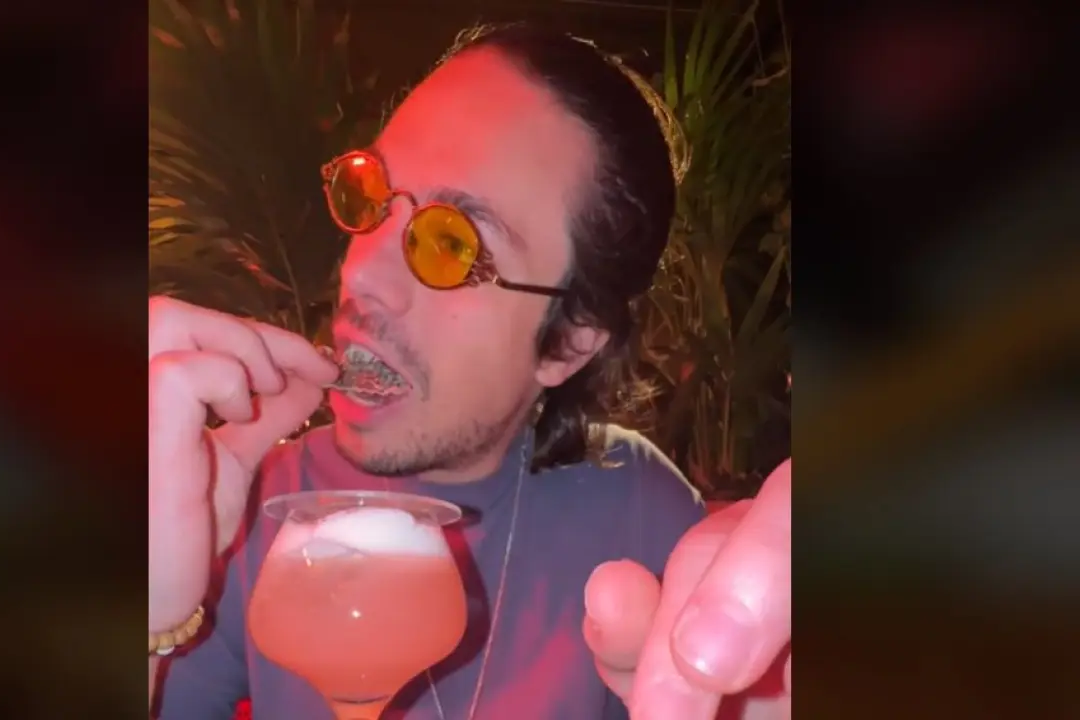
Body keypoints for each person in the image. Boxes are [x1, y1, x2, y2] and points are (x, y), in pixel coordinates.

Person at [149, 23, 791, 720]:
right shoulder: (244, 501)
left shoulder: (640, 515)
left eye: (452, 245)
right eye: (371, 198)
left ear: (567, 345)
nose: (362, 275)